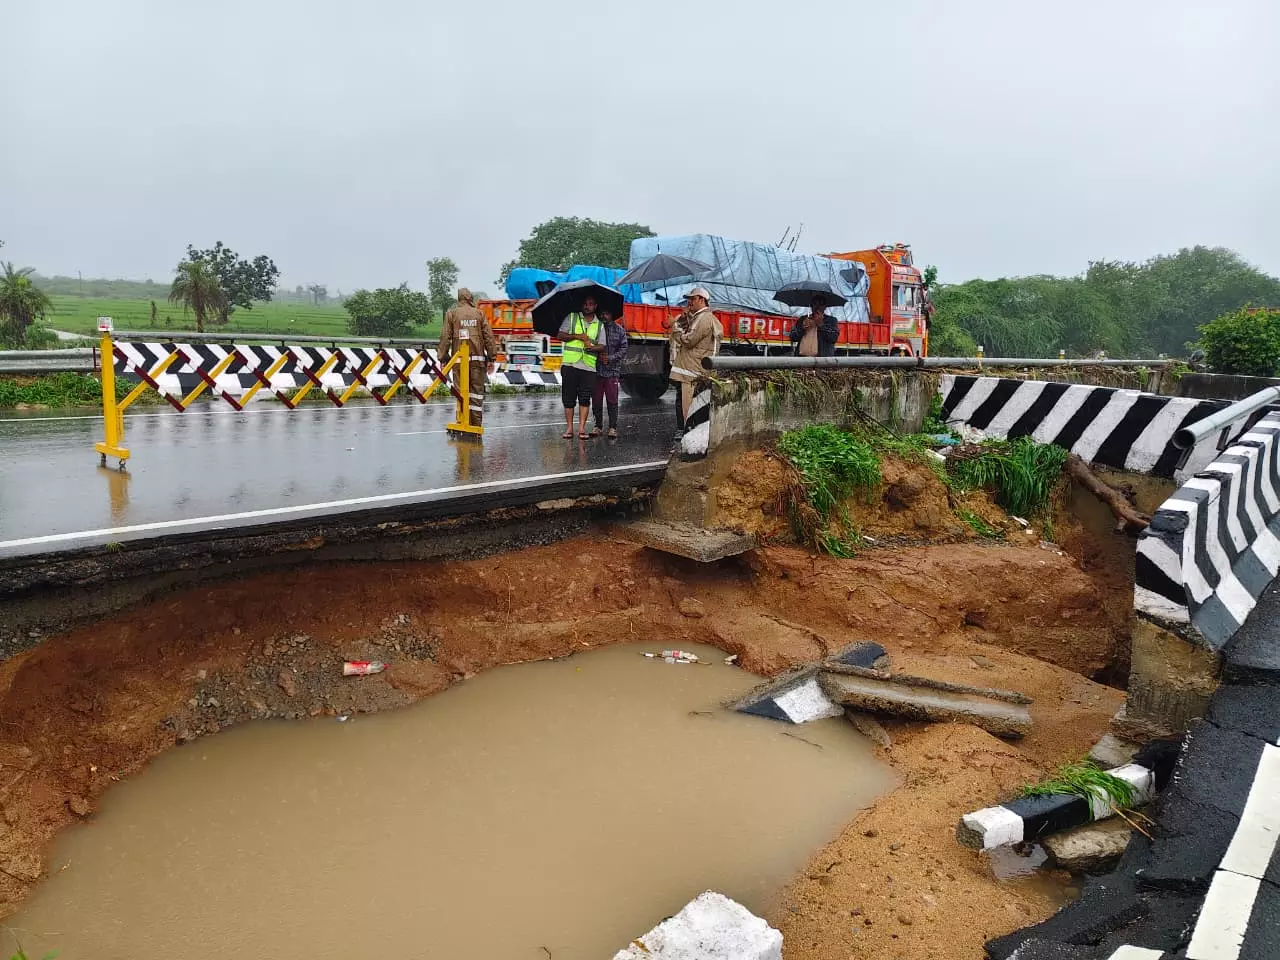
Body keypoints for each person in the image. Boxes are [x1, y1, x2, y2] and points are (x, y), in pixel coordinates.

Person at [439, 287, 497, 428]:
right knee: (476, 394)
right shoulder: (479, 314)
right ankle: (476, 425)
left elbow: (445, 337)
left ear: (459, 299)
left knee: (461, 393)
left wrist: (443, 358)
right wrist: (491, 358)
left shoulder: (451, 314)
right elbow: (489, 337)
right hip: (478, 362)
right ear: (470, 298)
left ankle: (462, 422)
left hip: (458, 363)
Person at [668, 286, 720, 432]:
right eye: (688, 299)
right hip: (694, 370)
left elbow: (688, 340)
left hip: (692, 371)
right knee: (693, 407)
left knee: (688, 408)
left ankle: (689, 437)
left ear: (702, 300)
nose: (689, 302)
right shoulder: (701, 317)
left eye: (692, 299)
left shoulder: (704, 318)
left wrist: (674, 326)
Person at [558, 295, 607, 439]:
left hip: (588, 367)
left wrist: (592, 348)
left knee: (585, 398)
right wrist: (577, 336)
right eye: (585, 304)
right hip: (570, 364)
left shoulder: (599, 325)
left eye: (590, 304)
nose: (587, 306)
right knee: (568, 398)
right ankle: (569, 429)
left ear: (595, 306)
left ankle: (581, 429)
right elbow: (560, 335)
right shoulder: (572, 317)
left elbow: (602, 345)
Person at [591, 308, 628, 438]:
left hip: (612, 371)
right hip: (596, 370)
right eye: (602, 313)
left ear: (612, 314)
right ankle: (597, 426)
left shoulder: (619, 330)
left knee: (612, 400)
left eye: (606, 313)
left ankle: (613, 427)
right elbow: (589, 345)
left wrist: (610, 358)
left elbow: (624, 349)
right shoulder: (595, 328)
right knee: (596, 400)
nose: (604, 315)